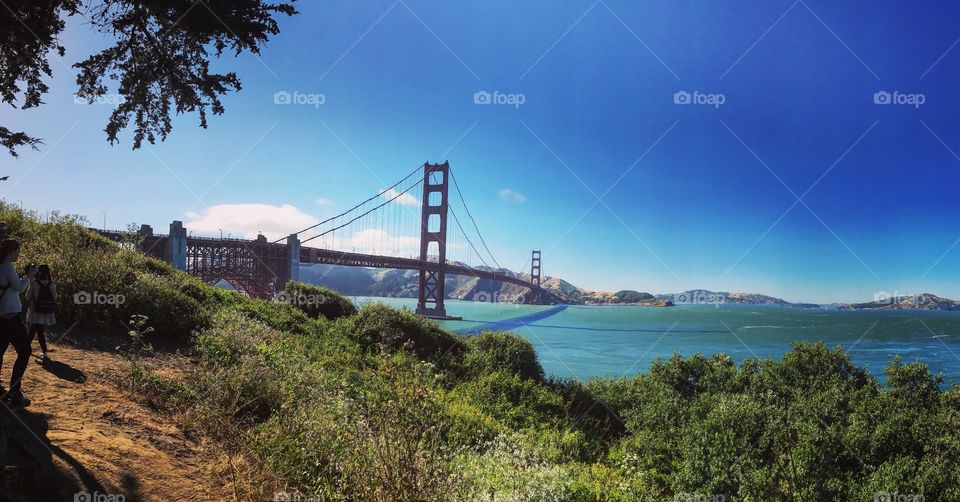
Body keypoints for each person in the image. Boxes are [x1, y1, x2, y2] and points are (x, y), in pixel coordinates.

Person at [0, 239, 35, 407]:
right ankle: (14, 392)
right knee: (25, 350)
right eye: (18, 251)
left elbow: (12, 286)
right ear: (12, 250)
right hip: (11, 316)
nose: (18, 254)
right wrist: (29, 276)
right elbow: (20, 288)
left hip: (2, 316)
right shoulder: (7, 267)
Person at [27, 264, 57, 362]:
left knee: (35, 330)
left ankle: (27, 349)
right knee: (37, 330)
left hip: (35, 310)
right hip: (45, 312)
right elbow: (55, 297)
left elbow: (27, 297)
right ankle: (43, 352)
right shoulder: (51, 284)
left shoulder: (34, 283)